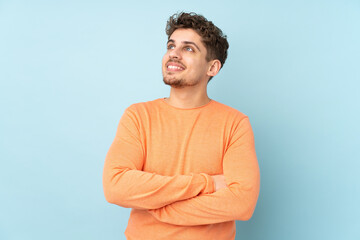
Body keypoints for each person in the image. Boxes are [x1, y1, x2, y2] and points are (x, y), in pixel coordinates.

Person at [103, 12, 260, 240]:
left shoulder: (235, 123)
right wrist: (206, 183)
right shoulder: (138, 116)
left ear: (212, 68)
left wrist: (161, 207)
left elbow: (241, 203)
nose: (173, 54)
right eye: (171, 46)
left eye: (188, 49)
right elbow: (115, 185)